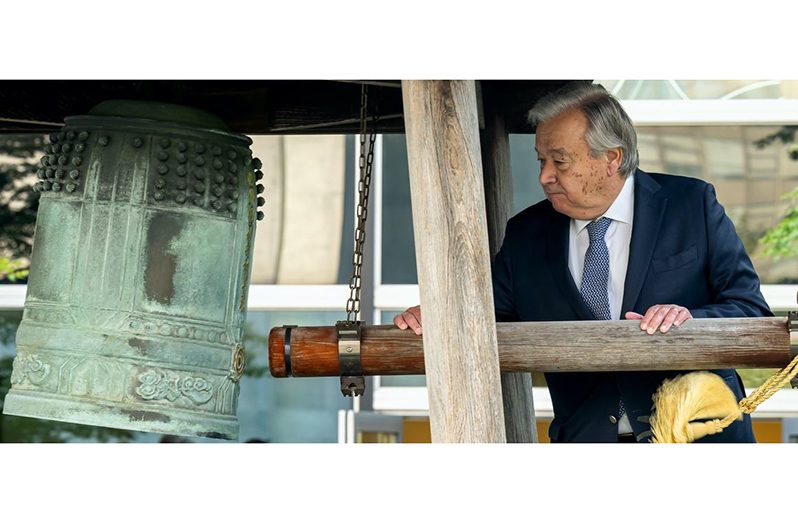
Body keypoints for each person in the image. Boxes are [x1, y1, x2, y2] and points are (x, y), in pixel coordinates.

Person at [394, 81, 771, 443]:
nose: (544, 176)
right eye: (542, 160)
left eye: (560, 161)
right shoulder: (526, 234)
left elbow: (751, 311)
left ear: (612, 158)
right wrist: (437, 317)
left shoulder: (692, 204)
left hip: (703, 440)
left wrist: (690, 320)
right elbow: (482, 315)